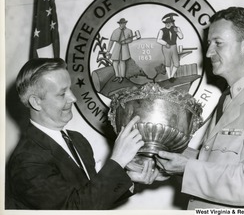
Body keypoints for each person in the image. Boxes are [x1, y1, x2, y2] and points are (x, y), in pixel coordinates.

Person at [156, 7, 244, 209]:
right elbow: (216, 164)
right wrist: (166, 158)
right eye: (209, 43)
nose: (209, 52)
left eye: (218, 44)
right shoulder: (228, 99)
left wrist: (187, 169)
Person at [5, 58, 158, 210]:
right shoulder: (26, 161)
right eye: (62, 93)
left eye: (70, 89)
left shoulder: (77, 140)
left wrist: (129, 178)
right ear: (36, 102)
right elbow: (74, 209)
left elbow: (91, 198)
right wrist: (117, 160)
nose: (73, 98)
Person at [157, 14, 183, 82]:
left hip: (174, 47)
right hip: (166, 48)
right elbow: (158, 40)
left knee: (176, 64)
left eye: (169, 23)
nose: (167, 24)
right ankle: (169, 77)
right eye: (166, 23)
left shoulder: (176, 28)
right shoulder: (162, 30)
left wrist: (177, 31)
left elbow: (181, 37)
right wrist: (165, 43)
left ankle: (172, 76)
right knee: (167, 63)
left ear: (172, 23)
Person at [107, 18, 133, 83]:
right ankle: (117, 76)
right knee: (115, 62)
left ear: (125, 23)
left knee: (122, 62)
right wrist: (108, 50)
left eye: (123, 23)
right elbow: (111, 41)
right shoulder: (115, 31)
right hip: (117, 47)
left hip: (124, 47)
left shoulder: (129, 31)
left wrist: (125, 41)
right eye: (121, 23)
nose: (122, 24)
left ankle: (122, 77)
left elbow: (131, 39)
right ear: (119, 24)